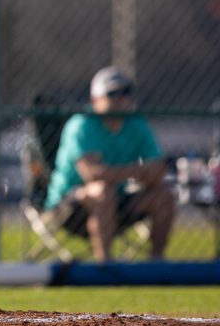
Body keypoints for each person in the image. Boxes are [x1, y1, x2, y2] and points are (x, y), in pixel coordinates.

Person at [43, 66, 175, 262]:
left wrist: (139, 173)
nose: (121, 99)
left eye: (126, 92)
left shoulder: (136, 123)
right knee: (102, 192)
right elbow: (92, 175)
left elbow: (157, 170)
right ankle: (104, 266)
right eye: (113, 93)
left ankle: (156, 264)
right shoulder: (82, 125)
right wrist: (138, 172)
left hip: (118, 199)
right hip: (70, 205)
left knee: (164, 195)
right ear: (95, 99)